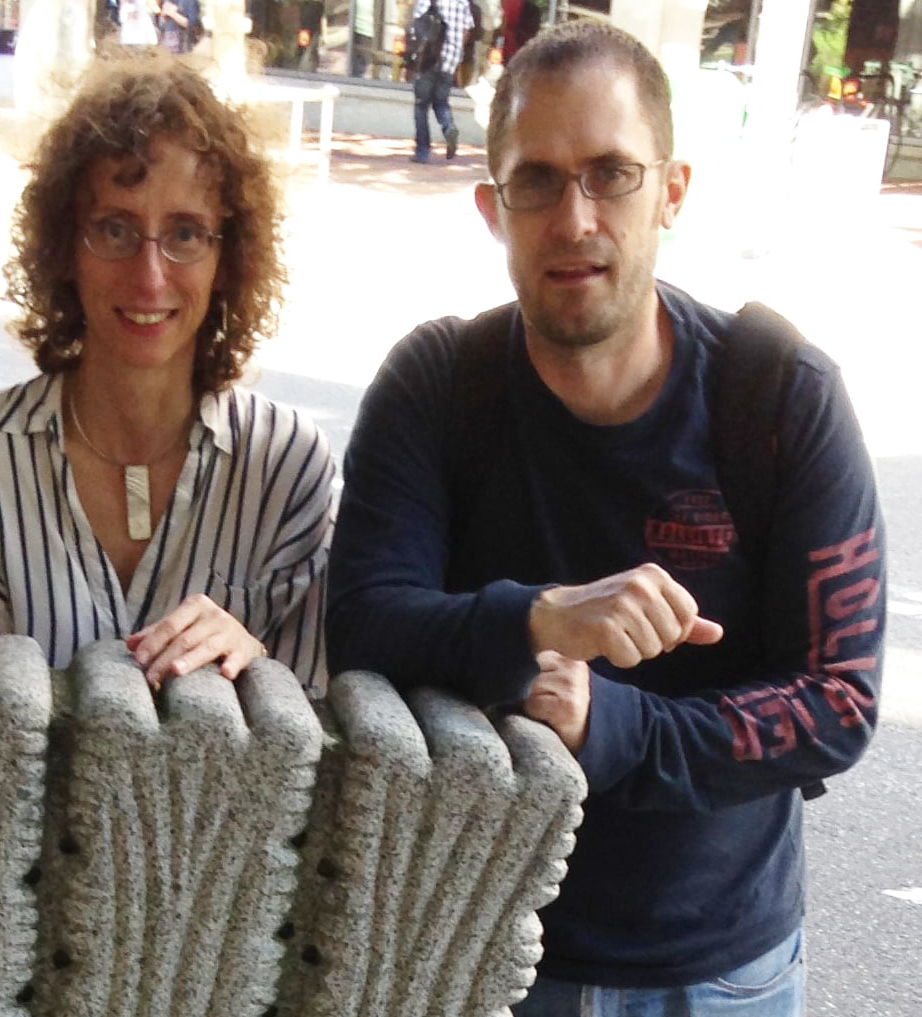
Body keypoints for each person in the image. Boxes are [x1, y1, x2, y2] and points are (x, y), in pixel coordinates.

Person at [327, 21, 883, 1017]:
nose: (574, 217)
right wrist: (538, 619)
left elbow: (837, 704)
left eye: (612, 174)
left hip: (716, 969)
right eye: (537, 181)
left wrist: (610, 725)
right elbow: (365, 622)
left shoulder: (779, 395)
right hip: (469, 951)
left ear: (671, 192)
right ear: (494, 209)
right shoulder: (438, 384)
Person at [0, 56, 334, 693]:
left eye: (186, 233)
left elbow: (312, 732)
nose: (150, 275)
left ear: (228, 260)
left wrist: (255, 660)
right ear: (65, 246)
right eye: (115, 229)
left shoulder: (286, 468)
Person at [407, 0, 476, 163]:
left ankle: (423, 151)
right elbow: (467, 31)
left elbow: (417, 24)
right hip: (451, 60)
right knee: (441, 102)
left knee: (421, 105)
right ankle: (449, 127)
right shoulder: (463, 3)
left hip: (428, 58)